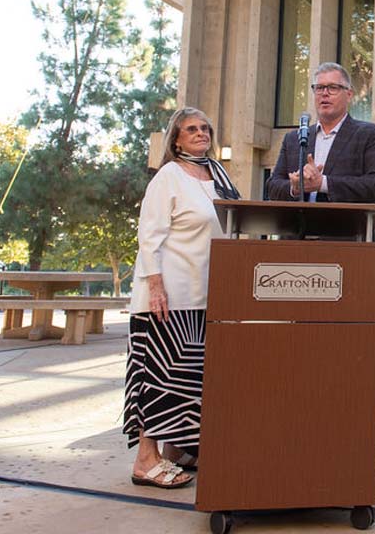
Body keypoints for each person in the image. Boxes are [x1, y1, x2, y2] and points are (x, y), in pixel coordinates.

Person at [124, 107, 239, 489]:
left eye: (205, 128)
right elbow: (149, 236)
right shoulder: (168, 177)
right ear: (176, 139)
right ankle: (145, 460)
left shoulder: (218, 175)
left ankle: (179, 452)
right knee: (157, 378)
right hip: (167, 297)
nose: (201, 133)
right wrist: (156, 286)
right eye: (191, 129)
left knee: (189, 380)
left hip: (204, 297)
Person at [267, 62, 375, 205]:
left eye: (333, 88)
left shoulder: (371, 135)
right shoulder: (294, 139)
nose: (325, 93)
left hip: (346, 220)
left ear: (349, 95)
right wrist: (295, 187)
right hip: (297, 219)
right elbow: (272, 187)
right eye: (319, 88)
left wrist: (323, 183)